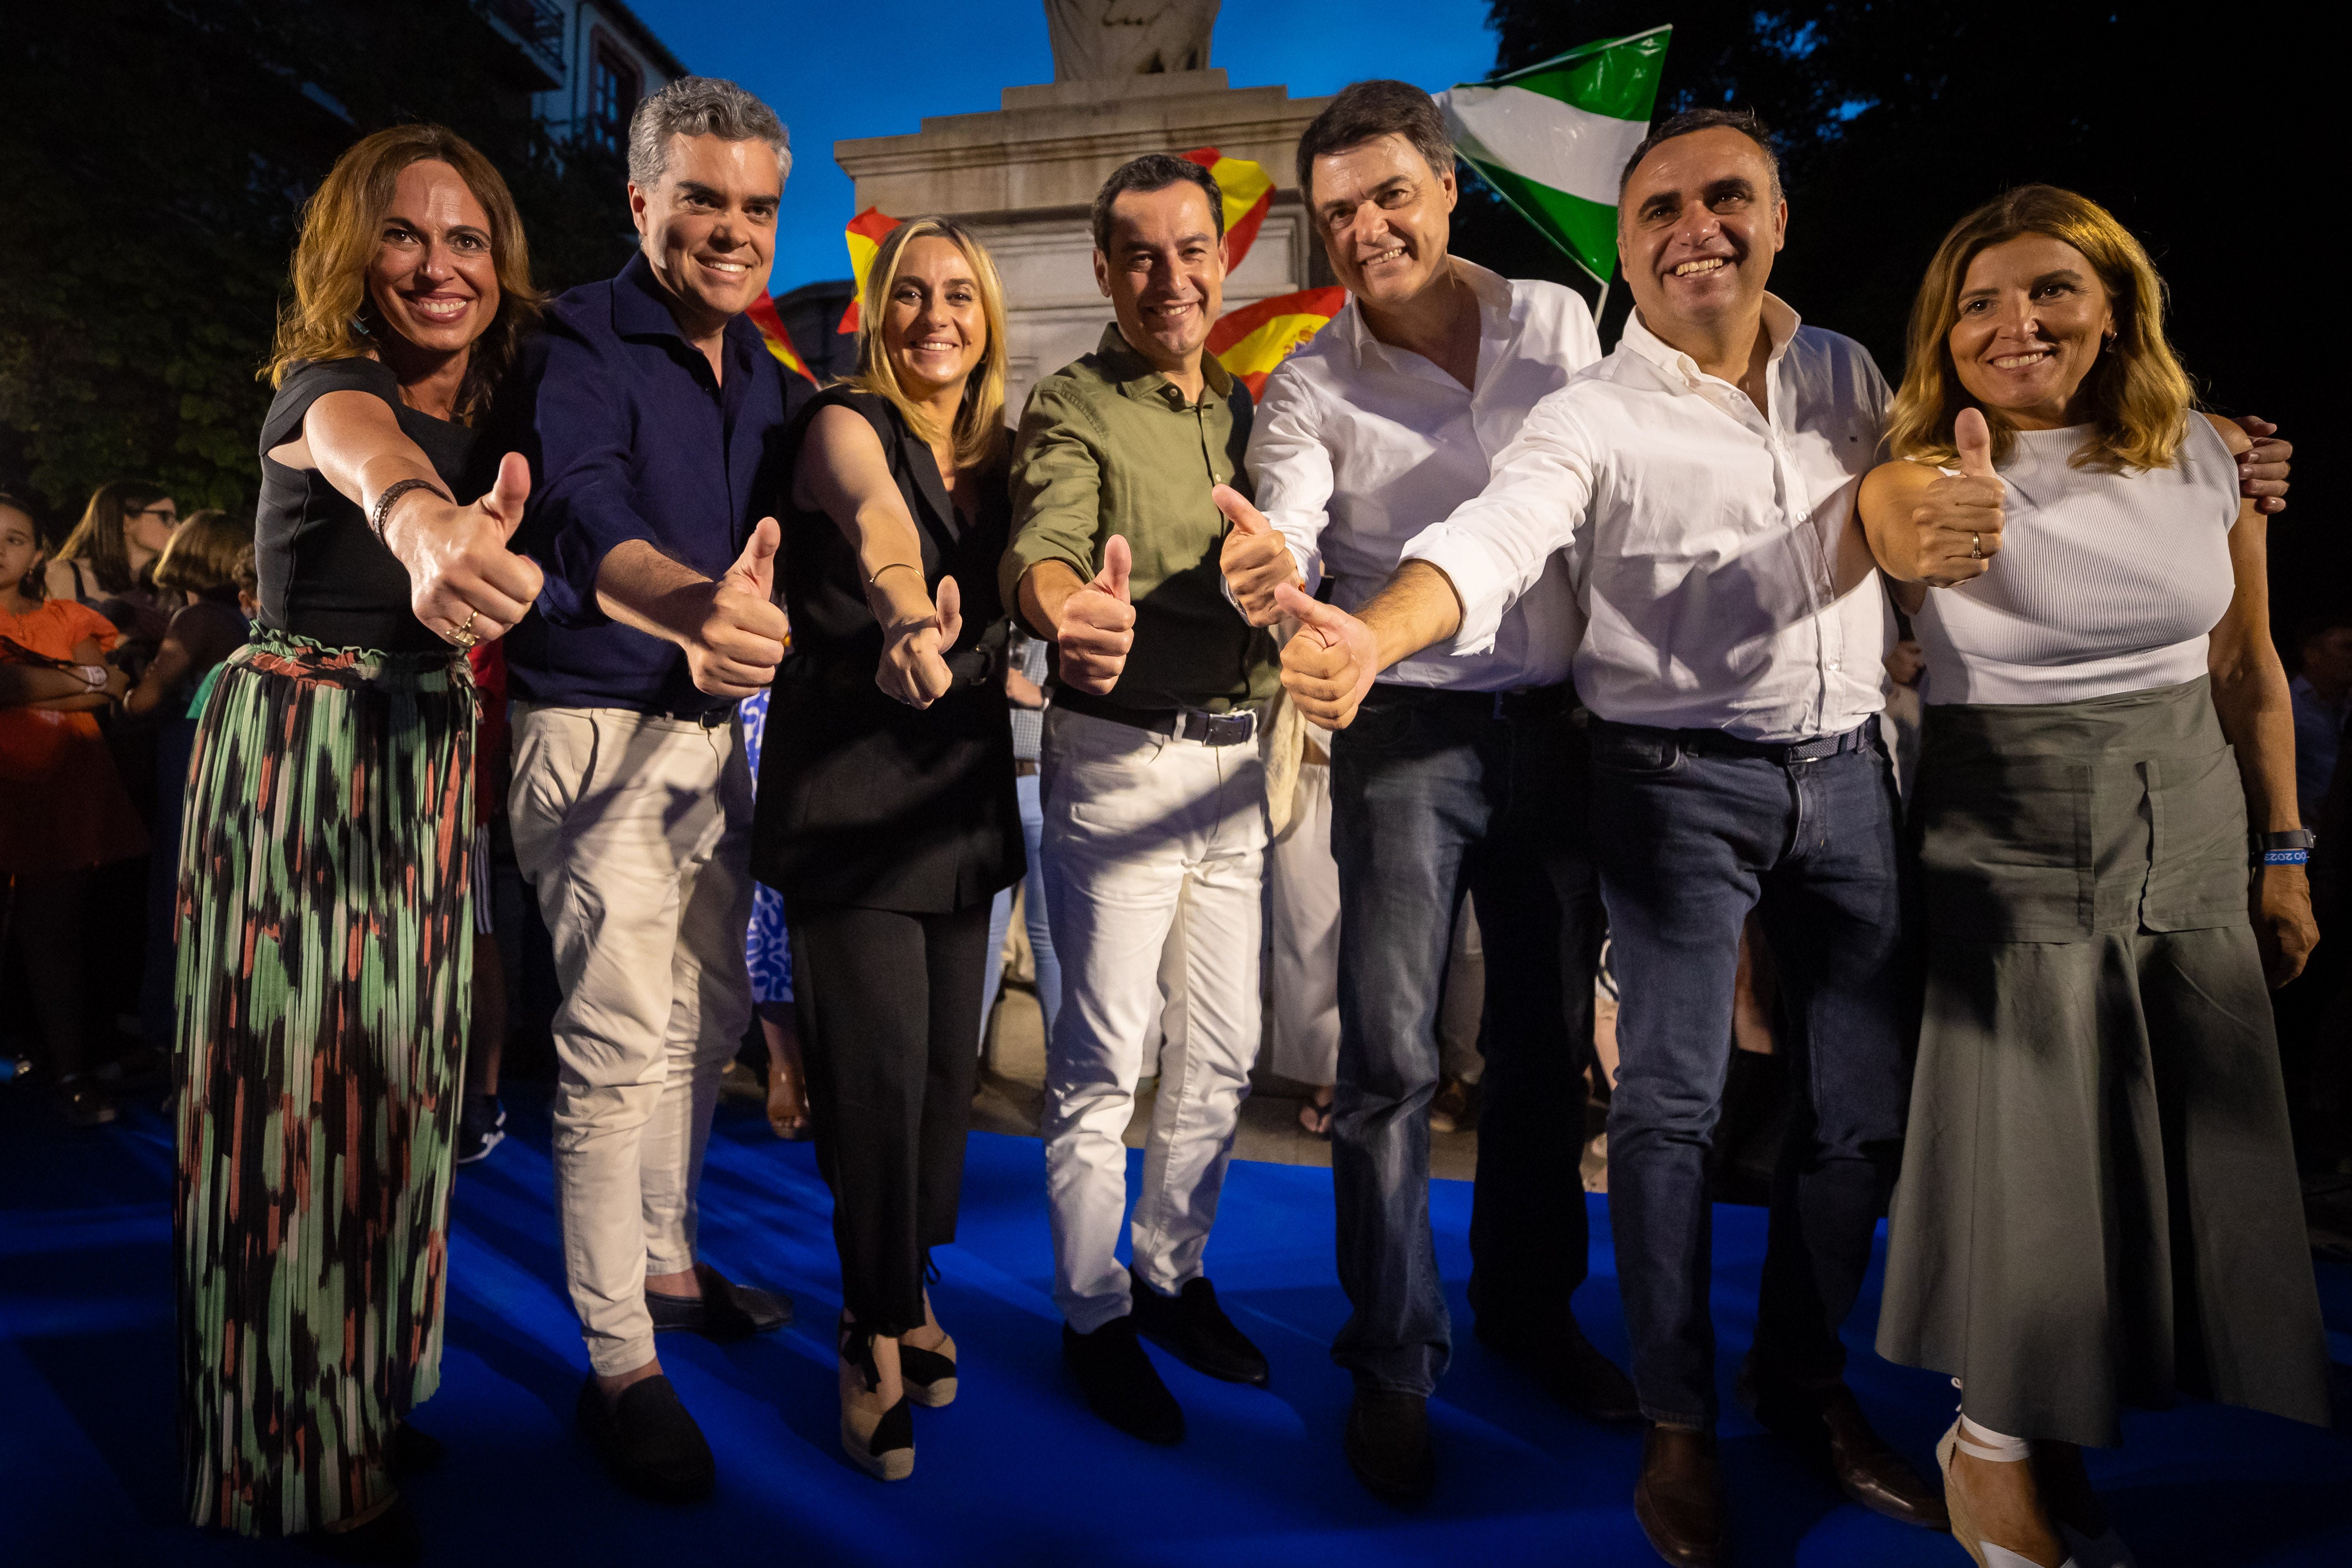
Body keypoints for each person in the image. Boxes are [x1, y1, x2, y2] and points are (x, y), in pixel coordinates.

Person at [1271, 111, 2293, 1568]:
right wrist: (1371, 636)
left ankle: (1802, 1386)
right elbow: (1491, 543)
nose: (1696, 226)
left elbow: (2045, 447)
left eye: (1725, 196)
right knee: (1667, 1117)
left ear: (1776, 218)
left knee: (1859, 1116)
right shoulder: (1588, 415)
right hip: (1671, 786)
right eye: (1662, 209)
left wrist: (2224, 456)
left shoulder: (1848, 373)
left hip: (1849, 780)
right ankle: (1678, 1427)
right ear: (1623, 252)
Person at [1860, 185, 2329, 1568]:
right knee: (2028, 1149)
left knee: (2146, 1147)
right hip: (2008, 834)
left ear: (2111, 305)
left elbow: (2247, 669)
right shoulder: (1919, 465)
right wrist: (1913, 517)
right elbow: (1891, 523)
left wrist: (2285, 852)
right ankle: (1985, 1444)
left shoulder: (2211, 455)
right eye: (1979, 302)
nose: (2017, 325)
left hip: (2187, 823)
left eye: (2050, 290)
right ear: (1941, 334)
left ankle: (2053, 1424)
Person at [1212, 79, 1632, 1499]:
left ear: (1448, 189)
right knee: (1387, 1062)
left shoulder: (1561, 325)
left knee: (1537, 1050)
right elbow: (1283, 527)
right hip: (1402, 732)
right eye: (1336, 212)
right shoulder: (1311, 384)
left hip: (1560, 729)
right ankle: (1393, 1360)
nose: (1364, 228)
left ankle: (1527, 1313)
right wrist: (1269, 583)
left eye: (1388, 194)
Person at [174, 122, 547, 1560]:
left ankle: (357, 1393)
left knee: (403, 1105)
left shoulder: (503, 399)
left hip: (421, 765)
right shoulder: (330, 386)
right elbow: (365, 456)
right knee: (294, 1116)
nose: (439, 265)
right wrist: (422, 526)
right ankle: (284, 1450)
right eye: (405, 234)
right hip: (300, 771)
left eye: (467, 238)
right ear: (353, 252)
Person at [495, 76, 803, 1505]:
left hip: (706, 744)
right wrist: (687, 607)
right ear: (641, 202)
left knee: (706, 1019)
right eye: (702, 199)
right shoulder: (573, 335)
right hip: (592, 733)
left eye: (755, 206)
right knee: (614, 1052)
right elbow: (578, 507)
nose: (732, 231)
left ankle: (668, 1259)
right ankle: (617, 1360)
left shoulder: (768, 372)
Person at [1001, 152, 1278, 1445]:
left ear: (1221, 258)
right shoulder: (1072, 402)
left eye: (1189, 249)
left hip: (1237, 760)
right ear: (1105, 272)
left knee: (1220, 1055)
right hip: (1115, 757)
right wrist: (1074, 615)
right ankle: (1093, 1310)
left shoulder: (1248, 405)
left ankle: (1171, 1272)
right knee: (1102, 1064)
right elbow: (1045, 550)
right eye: (1140, 256)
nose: (1169, 277)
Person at [753, 215, 1024, 1482]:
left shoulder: (1007, 457)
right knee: (869, 1075)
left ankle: (906, 1284)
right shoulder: (840, 423)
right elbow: (876, 524)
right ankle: (867, 1329)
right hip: (854, 804)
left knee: (932, 1086)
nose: (933, 316)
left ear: (988, 318)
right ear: (877, 311)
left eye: (958, 296)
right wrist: (909, 616)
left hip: (960, 807)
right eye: (910, 293)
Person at [0, 492, 143, 1127]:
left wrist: (61, 682)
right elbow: (8, 684)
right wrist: (74, 680)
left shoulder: (69, 614)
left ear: (37, 553)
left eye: (14, 539)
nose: (1, 550)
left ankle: (69, 1069)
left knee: (54, 937)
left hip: (62, 792)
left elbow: (109, 690)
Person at [127, 509, 256, 1061]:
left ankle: (170, 1029)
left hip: (192, 755)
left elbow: (146, 700)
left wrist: (117, 682)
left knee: (178, 887)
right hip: (237, 758)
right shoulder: (249, 616)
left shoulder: (198, 619)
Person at [977, 627, 1062, 1049]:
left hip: (1044, 780)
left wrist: (1040, 695)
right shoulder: (994, 623)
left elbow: (1093, 696)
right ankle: (962, 1069)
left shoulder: (1059, 616)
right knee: (985, 934)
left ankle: (1062, 1073)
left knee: (1048, 935)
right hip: (989, 782)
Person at [736, 683, 810, 1139]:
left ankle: (821, 1061)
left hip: (828, 691)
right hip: (749, 701)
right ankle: (783, 1062)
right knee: (764, 908)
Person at [2290, 612, 2351, 827]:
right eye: (2346, 648)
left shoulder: (2345, 703)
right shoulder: (2288, 708)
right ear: (2312, 654)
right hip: (2306, 834)